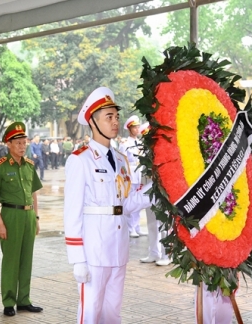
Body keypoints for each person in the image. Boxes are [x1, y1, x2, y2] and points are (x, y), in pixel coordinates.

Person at [63, 87, 153, 324]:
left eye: (116, 117)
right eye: (109, 117)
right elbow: (72, 213)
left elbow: (127, 203)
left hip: (117, 247)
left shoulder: (121, 160)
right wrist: (77, 259)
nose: (115, 122)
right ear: (93, 122)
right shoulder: (80, 159)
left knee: (113, 313)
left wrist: (157, 190)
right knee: (90, 312)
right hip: (93, 250)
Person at [0, 122, 43, 317]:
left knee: (26, 259)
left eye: (24, 142)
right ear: (9, 144)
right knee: (11, 260)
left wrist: (36, 217)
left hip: (28, 215)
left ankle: (24, 300)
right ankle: (9, 301)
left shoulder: (29, 165)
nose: (22, 146)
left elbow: (33, 193)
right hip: (10, 215)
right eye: (18, 143)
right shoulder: (0, 167)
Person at [138, 123, 171, 266]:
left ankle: (167, 254)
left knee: (165, 225)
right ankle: (153, 252)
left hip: (162, 191)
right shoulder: (147, 151)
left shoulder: (165, 150)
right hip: (149, 192)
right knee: (151, 223)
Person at [118, 115, 147, 238]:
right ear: (129, 129)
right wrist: (124, 177)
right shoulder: (125, 143)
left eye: (138, 127)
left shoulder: (140, 143)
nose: (137, 129)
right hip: (130, 175)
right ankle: (130, 228)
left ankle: (137, 226)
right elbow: (121, 161)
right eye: (135, 127)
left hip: (139, 174)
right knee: (131, 201)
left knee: (139, 202)